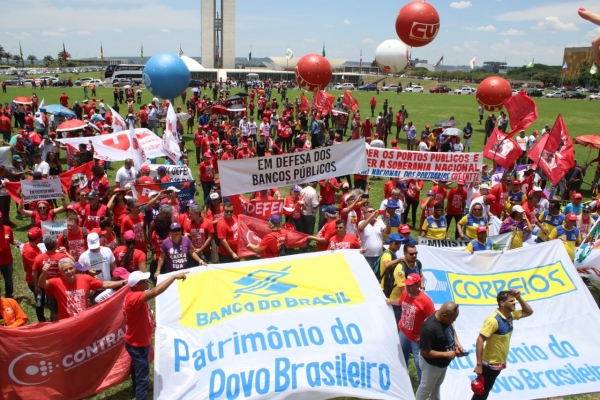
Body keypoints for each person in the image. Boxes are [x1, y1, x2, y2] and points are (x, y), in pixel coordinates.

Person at [124, 269, 188, 400]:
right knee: (143, 376)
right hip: (138, 345)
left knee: (138, 369)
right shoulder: (135, 297)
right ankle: (141, 393)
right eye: (144, 281)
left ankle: (137, 388)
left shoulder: (135, 295)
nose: (147, 282)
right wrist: (174, 277)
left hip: (137, 342)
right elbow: (155, 291)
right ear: (136, 285)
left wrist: (151, 322)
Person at [472, 290, 533, 400]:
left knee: (485, 391)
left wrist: (519, 298)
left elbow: (529, 312)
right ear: (502, 303)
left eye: (514, 301)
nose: (514, 303)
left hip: (498, 363)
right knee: (481, 392)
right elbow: (479, 340)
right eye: (511, 301)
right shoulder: (493, 320)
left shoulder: (510, 316)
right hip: (489, 364)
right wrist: (479, 364)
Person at [38, 258, 125, 320]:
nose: (69, 271)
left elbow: (105, 284)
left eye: (71, 268)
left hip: (84, 321)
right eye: (65, 270)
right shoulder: (57, 282)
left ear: (74, 268)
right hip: (66, 323)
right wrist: (44, 272)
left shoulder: (85, 278)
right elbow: (41, 284)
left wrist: (123, 282)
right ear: (61, 272)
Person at [386, 274, 435, 384]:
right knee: (402, 356)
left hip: (416, 337)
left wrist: (424, 335)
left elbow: (433, 319)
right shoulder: (405, 293)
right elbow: (400, 301)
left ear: (418, 285)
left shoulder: (425, 301)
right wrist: (390, 302)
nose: (407, 288)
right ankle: (403, 380)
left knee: (418, 362)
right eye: (407, 285)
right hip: (403, 332)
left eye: (410, 286)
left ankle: (422, 384)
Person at [416, 302, 464, 400]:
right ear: (444, 315)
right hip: (431, 365)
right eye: (453, 319)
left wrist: (457, 344)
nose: (454, 321)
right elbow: (424, 352)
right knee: (425, 389)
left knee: (437, 385)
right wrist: (446, 354)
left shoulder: (446, 320)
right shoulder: (429, 328)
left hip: (442, 364)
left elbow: (452, 331)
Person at [0, 214, 19, 299]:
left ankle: (9, 296)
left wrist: (20, 244)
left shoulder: (7, 229)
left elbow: (12, 240)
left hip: (7, 260)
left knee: (8, 280)